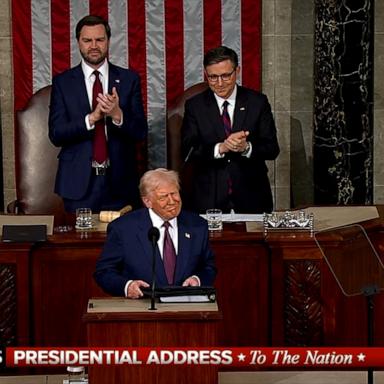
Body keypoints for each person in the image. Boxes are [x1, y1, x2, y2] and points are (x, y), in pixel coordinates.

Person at [48, 15, 147, 213]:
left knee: (122, 242)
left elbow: (141, 132)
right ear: (78, 42)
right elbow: (56, 134)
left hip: (120, 182)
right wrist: (91, 119)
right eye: (87, 40)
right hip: (78, 184)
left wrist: (118, 115)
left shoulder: (129, 79)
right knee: (80, 243)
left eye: (99, 40)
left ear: (108, 41)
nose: (94, 45)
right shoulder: (63, 82)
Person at [181, 46, 280, 214]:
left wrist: (246, 148)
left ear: (237, 71)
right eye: (213, 77)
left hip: (252, 197)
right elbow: (188, 150)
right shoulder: (195, 106)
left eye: (226, 75)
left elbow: (272, 149)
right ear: (206, 74)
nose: (219, 83)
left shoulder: (257, 102)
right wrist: (221, 148)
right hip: (208, 198)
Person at [94, 168, 217, 298]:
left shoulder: (197, 225)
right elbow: (104, 272)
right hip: (142, 307)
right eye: (164, 197)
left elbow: (209, 267)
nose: (172, 201)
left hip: (186, 306)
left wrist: (198, 279)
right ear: (147, 201)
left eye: (174, 193)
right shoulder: (123, 229)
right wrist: (127, 286)